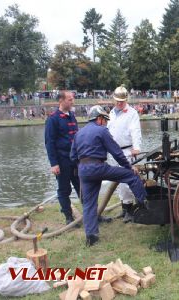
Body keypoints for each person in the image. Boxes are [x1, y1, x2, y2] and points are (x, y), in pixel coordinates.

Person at [70, 105, 147, 246]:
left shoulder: (78, 134)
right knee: (131, 176)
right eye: (105, 119)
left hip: (83, 170)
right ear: (99, 119)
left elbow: (73, 156)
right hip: (98, 167)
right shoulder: (102, 131)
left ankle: (91, 237)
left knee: (88, 204)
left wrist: (83, 169)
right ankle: (144, 204)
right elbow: (116, 152)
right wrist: (129, 166)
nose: (106, 122)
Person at [107, 85, 142, 223]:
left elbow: (136, 131)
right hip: (114, 152)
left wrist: (136, 147)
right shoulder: (111, 113)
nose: (119, 103)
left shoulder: (132, 113)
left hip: (127, 151)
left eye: (121, 101)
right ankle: (125, 208)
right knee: (117, 182)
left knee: (127, 182)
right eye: (117, 101)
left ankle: (132, 208)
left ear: (126, 100)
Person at [44, 91, 80, 225]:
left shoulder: (72, 115)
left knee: (82, 187)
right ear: (61, 100)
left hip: (76, 160)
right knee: (64, 189)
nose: (73, 102)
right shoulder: (53, 119)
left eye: (73, 99)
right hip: (62, 161)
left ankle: (92, 214)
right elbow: (49, 143)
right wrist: (54, 164)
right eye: (70, 99)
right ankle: (69, 217)